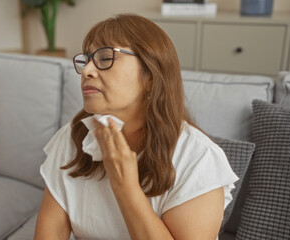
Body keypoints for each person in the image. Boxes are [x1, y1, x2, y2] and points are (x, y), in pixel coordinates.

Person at [35, 14, 239, 240]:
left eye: (105, 58)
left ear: (150, 74)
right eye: (87, 59)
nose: (86, 71)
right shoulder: (73, 138)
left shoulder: (199, 159)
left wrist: (126, 188)